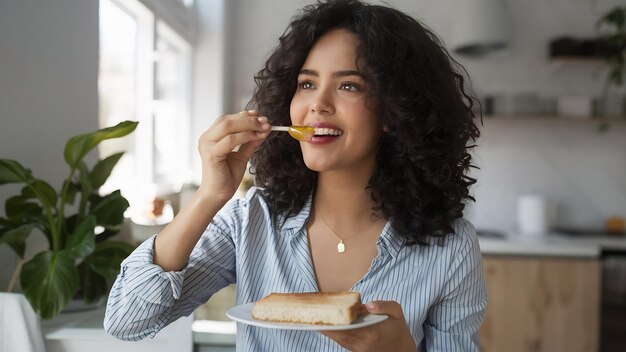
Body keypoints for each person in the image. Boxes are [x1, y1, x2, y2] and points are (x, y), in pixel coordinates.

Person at [104, 0, 486, 351]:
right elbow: (126, 320)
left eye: (348, 85)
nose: (317, 104)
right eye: (306, 84)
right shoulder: (250, 220)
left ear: (393, 111)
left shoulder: (450, 248)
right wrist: (210, 194)